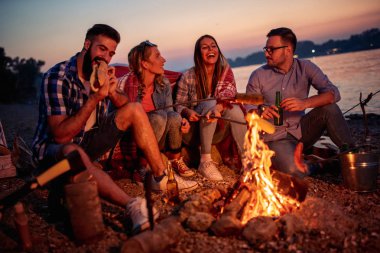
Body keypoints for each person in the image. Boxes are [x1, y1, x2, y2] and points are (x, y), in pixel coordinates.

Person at [31, 24, 192, 233]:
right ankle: (131, 205)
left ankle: (160, 177)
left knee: (134, 108)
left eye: (111, 53)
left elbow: (128, 107)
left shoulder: (101, 74)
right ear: (87, 45)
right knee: (73, 153)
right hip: (54, 151)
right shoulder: (57, 77)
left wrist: (113, 91)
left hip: (88, 141)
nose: (105, 57)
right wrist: (95, 97)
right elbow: (60, 136)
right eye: (101, 49)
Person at [246, 27, 354, 178]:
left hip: (301, 131)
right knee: (293, 171)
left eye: (271, 49)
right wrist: (259, 112)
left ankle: (353, 156)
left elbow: (333, 93)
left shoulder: (306, 67)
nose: (266, 53)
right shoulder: (258, 75)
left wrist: (305, 103)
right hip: (275, 138)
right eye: (266, 49)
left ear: (288, 50)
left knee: (330, 109)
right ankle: (324, 164)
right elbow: (248, 109)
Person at [117, 40, 197, 181]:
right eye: (158, 56)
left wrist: (181, 122)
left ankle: (174, 161)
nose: (163, 60)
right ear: (145, 64)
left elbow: (171, 113)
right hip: (135, 140)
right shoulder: (128, 85)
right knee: (158, 117)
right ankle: (142, 166)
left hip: (159, 137)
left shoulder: (163, 83)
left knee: (173, 116)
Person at [175, 35, 247, 181]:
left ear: (218, 50)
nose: (210, 49)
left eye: (213, 46)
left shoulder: (225, 71)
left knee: (236, 110)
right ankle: (205, 161)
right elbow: (177, 105)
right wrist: (188, 112)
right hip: (194, 132)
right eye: (205, 47)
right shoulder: (188, 76)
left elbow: (229, 96)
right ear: (198, 54)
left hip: (218, 130)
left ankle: (247, 161)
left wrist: (218, 108)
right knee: (209, 101)